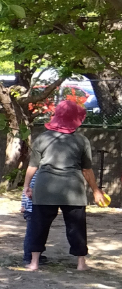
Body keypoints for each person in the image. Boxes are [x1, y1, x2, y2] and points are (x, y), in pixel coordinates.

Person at [23, 98, 107, 271]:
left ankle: (34, 263)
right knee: (76, 227)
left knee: (39, 226)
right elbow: (87, 170)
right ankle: (81, 263)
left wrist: (26, 186)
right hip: (73, 190)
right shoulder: (82, 141)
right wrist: (96, 190)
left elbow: (33, 166)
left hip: (45, 189)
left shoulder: (42, 138)